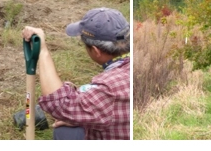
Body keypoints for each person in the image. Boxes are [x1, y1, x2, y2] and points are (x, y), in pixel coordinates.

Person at [21, 7, 131, 140]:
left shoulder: (109, 89)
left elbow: (60, 103)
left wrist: (42, 50)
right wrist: (84, 118)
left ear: (96, 51)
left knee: (65, 132)